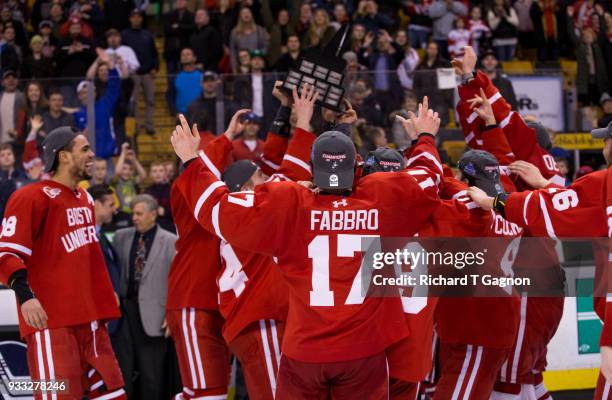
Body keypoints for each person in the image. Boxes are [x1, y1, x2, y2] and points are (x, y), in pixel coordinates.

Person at [169, 87, 442, 398]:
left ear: (313, 170)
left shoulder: (289, 203)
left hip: (304, 349)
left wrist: (192, 161)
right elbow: (429, 177)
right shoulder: (380, 198)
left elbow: (215, 208)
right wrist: (425, 139)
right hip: (363, 349)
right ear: (358, 169)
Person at [0, 126, 126, 399]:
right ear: (64, 156)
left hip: (91, 322)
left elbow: (90, 255)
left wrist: (105, 291)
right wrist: (26, 297)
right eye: (85, 149)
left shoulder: (85, 198)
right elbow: (7, 254)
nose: (92, 154)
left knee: (113, 394)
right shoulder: (30, 197)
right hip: (51, 322)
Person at [113, 194, 177, 400]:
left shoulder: (170, 241)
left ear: (152, 215)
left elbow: (177, 283)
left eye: (139, 214)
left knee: (152, 375)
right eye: (133, 213)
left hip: (155, 316)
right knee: (124, 371)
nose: (135, 218)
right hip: (124, 314)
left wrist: (171, 313)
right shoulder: (121, 236)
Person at [87, 184, 121, 342]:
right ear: (97, 204)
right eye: (111, 205)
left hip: (110, 316)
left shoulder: (101, 234)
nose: (115, 210)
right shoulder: (85, 237)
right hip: (97, 317)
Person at [74, 51, 121, 161]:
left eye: (90, 91)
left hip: (107, 157)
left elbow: (114, 86)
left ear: (95, 93)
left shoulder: (105, 104)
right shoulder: (78, 114)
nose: (87, 94)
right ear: (79, 96)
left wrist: (112, 67)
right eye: (84, 92)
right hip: (88, 159)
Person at [121, 8, 158, 136]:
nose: (136, 19)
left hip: (148, 72)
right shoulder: (125, 35)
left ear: (141, 19)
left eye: (138, 16)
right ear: (130, 19)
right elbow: (122, 53)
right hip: (133, 73)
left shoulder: (147, 34)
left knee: (150, 100)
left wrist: (155, 67)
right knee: (134, 101)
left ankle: (149, 125)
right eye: (134, 16)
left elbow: (154, 53)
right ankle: (136, 126)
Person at [229, 7, 269, 72]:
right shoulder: (235, 32)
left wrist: (257, 58)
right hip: (241, 67)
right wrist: (234, 67)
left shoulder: (259, 30)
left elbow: (265, 48)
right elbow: (232, 51)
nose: (246, 14)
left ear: (251, 15)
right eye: (243, 13)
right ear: (240, 16)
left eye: (248, 12)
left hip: (256, 66)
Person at [163, 0, 194, 78]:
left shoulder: (191, 15)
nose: (180, 2)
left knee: (184, 75)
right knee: (171, 76)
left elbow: (191, 29)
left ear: (186, 2)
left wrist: (179, 26)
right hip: (170, 52)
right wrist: (182, 29)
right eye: (178, 1)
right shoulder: (169, 15)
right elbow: (167, 30)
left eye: (182, 1)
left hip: (185, 51)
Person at [0, 143, 29, 218]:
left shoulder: (22, 176)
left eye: (9, 154)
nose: (6, 157)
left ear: (14, 157)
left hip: (16, 216)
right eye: (2, 155)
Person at [144, 161, 173, 233]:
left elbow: (180, 211)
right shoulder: (147, 191)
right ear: (150, 174)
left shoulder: (173, 189)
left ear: (165, 174)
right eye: (154, 171)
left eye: (161, 171)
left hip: (169, 227)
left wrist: (165, 212)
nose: (158, 174)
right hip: (151, 227)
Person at [174, 47, 202, 116]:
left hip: (201, 113)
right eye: (183, 55)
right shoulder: (175, 77)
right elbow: (170, 95)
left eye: (188, 54)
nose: (185, 56)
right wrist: (175, 112)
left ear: (194, 58)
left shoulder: (203, 75)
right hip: (183, 115)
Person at [0, 70, 25, 145]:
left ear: (17, 81)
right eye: (8, 78)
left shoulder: (22, 97)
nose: (11, 80)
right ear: (2, 82)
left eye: (13, 78)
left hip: (17, 142)